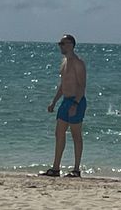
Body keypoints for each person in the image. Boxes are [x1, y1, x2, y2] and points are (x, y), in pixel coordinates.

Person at [40, 34, 87, 178]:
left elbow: (81, 86)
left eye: (63, 43)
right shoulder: (64, 62)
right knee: (59, 133)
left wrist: (75, 104)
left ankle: (76, 169)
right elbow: (63, 85)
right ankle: (56, 168)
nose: (60, 46)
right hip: (65, 101)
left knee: (76, 135)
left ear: (71, 45)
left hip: (76, 101)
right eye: (59, 44)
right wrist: (54, 101)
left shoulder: (78, 63)